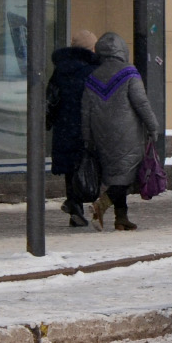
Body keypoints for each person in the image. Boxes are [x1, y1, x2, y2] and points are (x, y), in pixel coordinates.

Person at [81, 32, 160, 231]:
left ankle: (121, 218)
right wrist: (153, 126)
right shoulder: (129, 72)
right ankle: (102, 205)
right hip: (128, 133)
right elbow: (141, 103)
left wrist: (87, 136)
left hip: (102, 134)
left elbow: (86, 111)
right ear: (122, 50)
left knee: (117, 174)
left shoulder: (93, 77)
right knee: (128, 175)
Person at [46, 30, 98, 226]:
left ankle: (74, 204)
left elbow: (51, 95)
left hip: (63, 124)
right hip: (83, 123)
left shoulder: (60, 68)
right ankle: (79, 201)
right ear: (90, 47)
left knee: (70, 166)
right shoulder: (91, 70)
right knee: (85, 163)